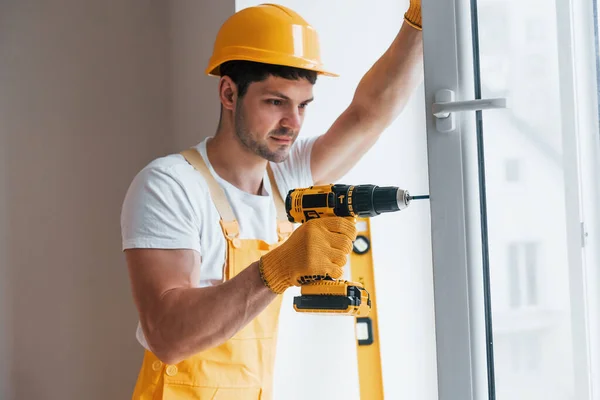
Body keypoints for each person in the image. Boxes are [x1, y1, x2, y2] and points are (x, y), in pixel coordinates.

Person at [121, 2, 423, 399]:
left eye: (303, 105)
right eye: (276, 102)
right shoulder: (171, 185)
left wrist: (418, 23)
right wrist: (280, 267)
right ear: (229, 93)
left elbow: (368, 115)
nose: (293, 124)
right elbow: (168, 335)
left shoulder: (287, 181)